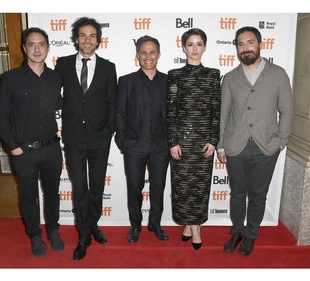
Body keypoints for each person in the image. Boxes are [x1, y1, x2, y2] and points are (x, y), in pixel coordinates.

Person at [217, 26, 293, 256]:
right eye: (240, 44)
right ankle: (237, 231)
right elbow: (224, 113)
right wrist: (221, 144)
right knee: (237, 193)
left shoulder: (278, 74)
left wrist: (280, 142)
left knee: (258, 195)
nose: (245, 47)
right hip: (236, 145)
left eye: (250, 42)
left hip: (266, 146)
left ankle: (251, 234)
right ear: (237, 48)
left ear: (260, 45)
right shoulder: (230, 78)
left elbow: (287, 111)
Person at [0, 27, 64, 257]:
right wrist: (13, 147)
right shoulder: (9, 79)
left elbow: (62, 106)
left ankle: (53, 229)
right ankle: (35, 235)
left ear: (47, 48)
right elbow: (1, 117)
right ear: (24, 48)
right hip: (23, 152)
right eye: (32, 44)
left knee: (53, 193)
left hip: (52, 149)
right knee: (28, 196)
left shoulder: (56, 77)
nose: (37, 49)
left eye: (41, 44)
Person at [54, 17, 117, 261]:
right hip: (73, 139)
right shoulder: (63, 64)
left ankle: (92, 223)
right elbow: (53, 93)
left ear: (98, 40)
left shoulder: (108, 67)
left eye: (92, 36)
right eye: (83, 35)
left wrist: (109, 130)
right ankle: (83, 236)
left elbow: (112, 101)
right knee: (80, 188)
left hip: (100, 137)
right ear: (76, 38)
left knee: (97, 187)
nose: (87, 40)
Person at [166, 28, 221, 250]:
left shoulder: (213, 74)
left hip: (203, 143)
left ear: (205, 47)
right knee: (182, 188)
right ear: (183, 47)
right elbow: (171, 111)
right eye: (190, 44)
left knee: (200, 187)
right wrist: (172, 141)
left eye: (199, 44)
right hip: (181, 142)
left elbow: (216, 111)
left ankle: (195, 226)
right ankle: (189, 224)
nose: (195, 49)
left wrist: (214, 140)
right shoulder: (174, 75)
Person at [115, 35, 170, 244]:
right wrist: (123, 143)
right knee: (134, 189)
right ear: (137, 56)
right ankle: (135, 225)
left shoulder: (168, 81)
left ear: (159, 54)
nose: (148, 56)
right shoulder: (126, 81)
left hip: (160, 147)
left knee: (158, 189)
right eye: (144, 52)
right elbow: (119, 114)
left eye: (152, 52)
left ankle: (155, 224)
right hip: (134, 147)